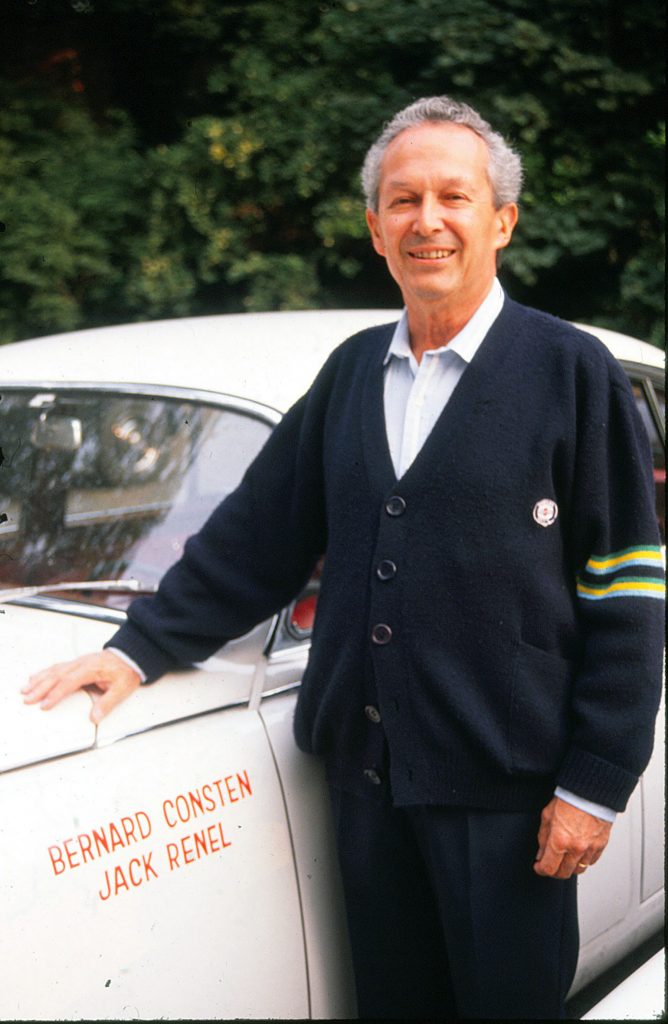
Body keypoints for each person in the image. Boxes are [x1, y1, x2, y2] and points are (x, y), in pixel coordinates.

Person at [23, 96, 664, 1019]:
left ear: (503, 220)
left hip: (508, 794)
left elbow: (627, 588)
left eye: (455, 197)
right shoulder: (351, 372)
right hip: (368, 783)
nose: (428, 221)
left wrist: (594, 785)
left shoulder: (572, 372)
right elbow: (257, 536)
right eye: (403, 201)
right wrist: (137, 648)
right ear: (374, 228)